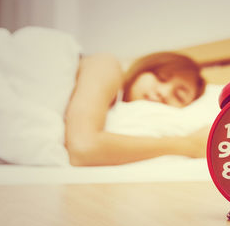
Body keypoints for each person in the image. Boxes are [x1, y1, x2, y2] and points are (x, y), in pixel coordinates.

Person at [64, 52, 209, 166]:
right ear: (142, 69)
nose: (164, 93)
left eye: (179, 96)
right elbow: (83, 148)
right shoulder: (105, 65)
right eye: (161, 77)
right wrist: (189, 145)